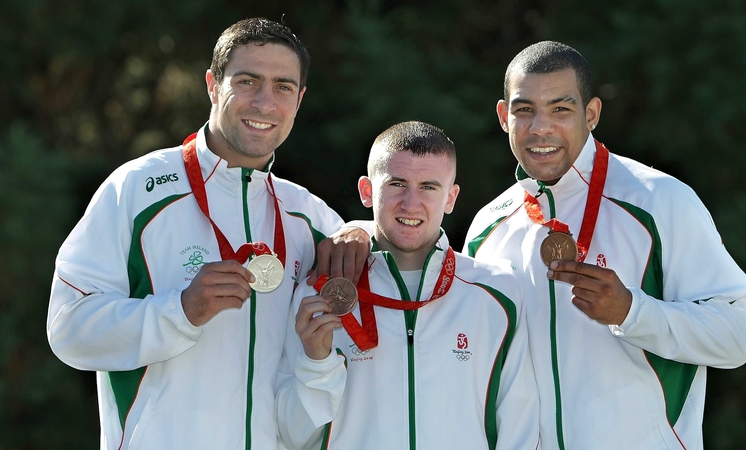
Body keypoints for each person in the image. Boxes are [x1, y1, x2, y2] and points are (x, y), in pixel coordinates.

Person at [47, 18, 366, 450]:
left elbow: (405, 260)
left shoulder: (309, 218)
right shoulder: (138, 189)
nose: (265, 103)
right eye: (248, 81)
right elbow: (68, 329)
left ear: (300, 99)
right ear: (213, 85)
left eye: (283, 87)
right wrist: (179, 312)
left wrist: (362, 230)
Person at [464, 41, 746, 449]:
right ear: (503, 116)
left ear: (591, 114)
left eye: (560, 109)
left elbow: (738, 335)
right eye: (525, 109)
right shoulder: (487, 229)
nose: (540, 128)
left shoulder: (659, 201)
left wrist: (631, 311)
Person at [275, 121, 539, 450]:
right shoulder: (318, 295)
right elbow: (292, 436)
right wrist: (316, 364)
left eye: (428, 187)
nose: (411, 204)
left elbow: (520, 430)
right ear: (367, 191)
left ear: (451, 198)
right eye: (397, 184)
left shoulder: (497, 295)